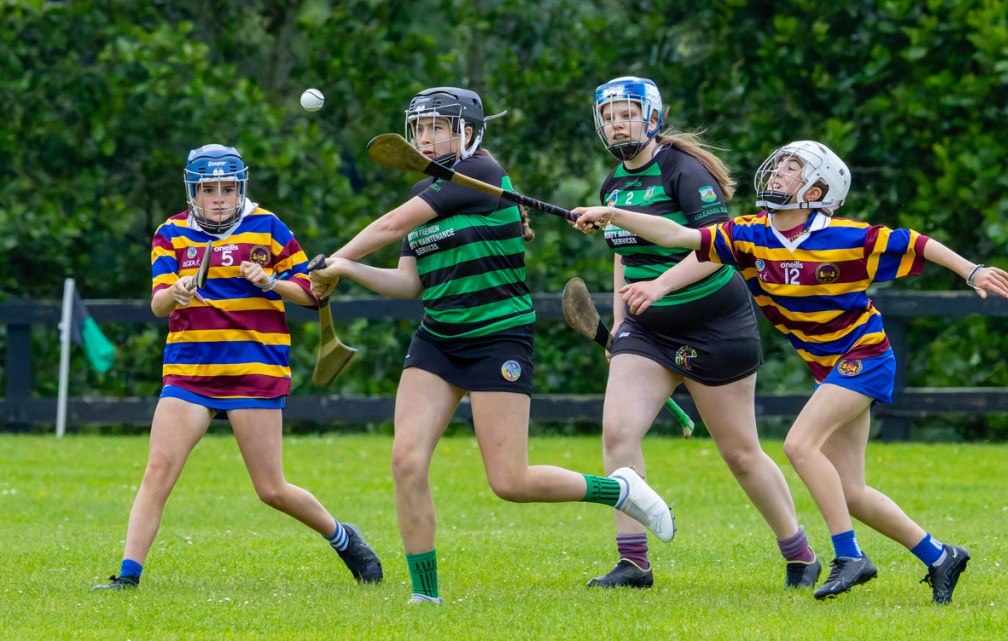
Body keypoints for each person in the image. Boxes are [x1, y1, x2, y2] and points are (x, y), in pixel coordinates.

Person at [572, 139, 1008, 603]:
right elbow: (677, 236)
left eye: (792, 169)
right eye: (779, 165)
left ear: (817, 191)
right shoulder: (751, 234)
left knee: (799, 445)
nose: (778, 173)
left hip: (865, 357)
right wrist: (614, 215)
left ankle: (849, 556)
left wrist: (972, 271)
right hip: (828, 367)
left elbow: (916, 243)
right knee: (852, 492)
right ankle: (941, 556)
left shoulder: (849, 237)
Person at [308, 87, 675, 605]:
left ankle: (620, 490)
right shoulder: (427, 191)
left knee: (510, 481)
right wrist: (345, 269)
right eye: (421, 127)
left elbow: (390, 225)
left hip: (497, 338)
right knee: (406, 462)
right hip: (438, 339)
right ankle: (425, 596)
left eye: (438, 127)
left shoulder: (480, 172)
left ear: (468, 132)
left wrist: (327, 263)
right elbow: (409, 283)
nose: (426, 137)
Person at [93, 144, 382, 591]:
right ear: (193, 192)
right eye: (208, 190)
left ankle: (344, 538)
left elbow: (313, 293)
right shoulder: (171, 233)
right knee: (158, 470)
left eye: (227, 189)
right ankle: (127, 577)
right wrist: (178, 293)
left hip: (255, 370)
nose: (218, 199)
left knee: (271, 490)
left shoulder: (268, 227)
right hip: (190, 371)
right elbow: (158, 303)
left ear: (240, 188)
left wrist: (271, 282)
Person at [577, 76, 820, 591]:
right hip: (647, 329)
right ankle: (633, 562)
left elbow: (717, 249)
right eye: (609, 117)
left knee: (740, 453)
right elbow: (624, 254)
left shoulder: (684, 172)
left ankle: (800, 553)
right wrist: (620, 322)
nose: (617, 124)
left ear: (652, 118)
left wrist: (661, 286)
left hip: (715, 325)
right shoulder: (613, 186)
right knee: (618, 435)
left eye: (627, 114)